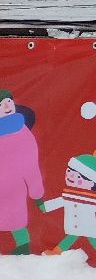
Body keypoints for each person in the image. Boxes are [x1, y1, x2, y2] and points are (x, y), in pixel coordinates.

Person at [1, 90, 45, 255]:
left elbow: (30, 165)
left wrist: (37, 194)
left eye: (9, 101)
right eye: (1, 104)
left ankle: (23, 246)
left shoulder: (22, 133)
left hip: (14, 186)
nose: (6, 106)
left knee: (15, 219)